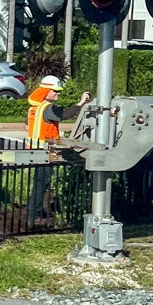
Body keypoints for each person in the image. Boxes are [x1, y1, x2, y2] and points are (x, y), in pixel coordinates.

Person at [25, 75, 92, 225]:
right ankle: (33, 216)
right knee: (41, 183)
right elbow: (65, 115)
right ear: (46, 91)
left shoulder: (35, 107)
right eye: (55, 90)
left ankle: (32, 213)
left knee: (40, 182)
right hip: (44, 151)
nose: (58, 93)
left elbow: (27, 126)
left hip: (35, 149)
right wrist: (81, 102)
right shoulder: (48, 108)